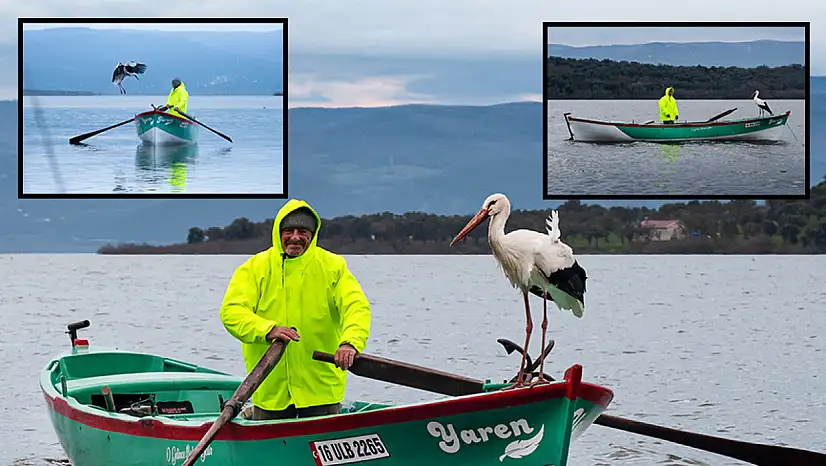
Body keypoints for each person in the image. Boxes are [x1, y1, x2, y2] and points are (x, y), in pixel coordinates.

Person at [219, 199, 372, 420]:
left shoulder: (334, 267)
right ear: (278, 232)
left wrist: (350, 343)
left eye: (303, 231)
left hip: (321, 392)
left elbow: (356, 307)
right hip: (269, 391)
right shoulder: (254, 268)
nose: (295, 237)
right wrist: (267, 329)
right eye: (289, 230)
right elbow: (232, 312)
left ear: (313, 234)